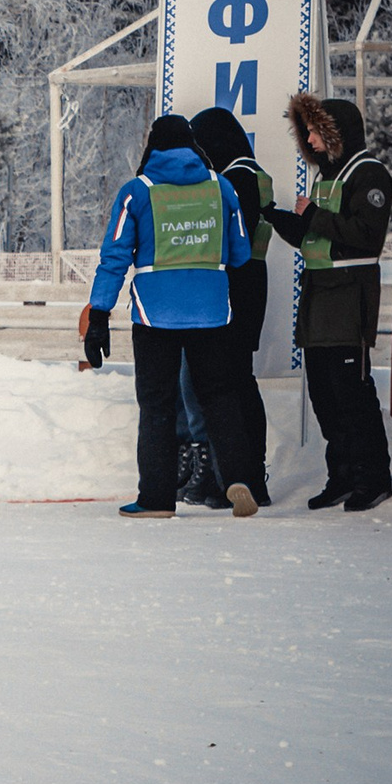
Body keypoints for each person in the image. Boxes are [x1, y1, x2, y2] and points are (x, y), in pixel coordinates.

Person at [84, 113, 262, 516]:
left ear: (154, 146)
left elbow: (114, 258)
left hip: (155, 316)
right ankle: (238, 477)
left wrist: (99, 315)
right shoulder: (222, 188)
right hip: (212, 312)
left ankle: (157, 499)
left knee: (158, 406)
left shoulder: (138, 191)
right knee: (220, 398)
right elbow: (240, 253)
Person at [259, 93, 392, 512]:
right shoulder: (325, 178)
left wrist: (311, 216)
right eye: (307, 133)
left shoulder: (369, 174)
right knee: (324, 392)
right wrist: (276, 216)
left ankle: (372, 479)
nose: (311, 140)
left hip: (350, 293)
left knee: (352, 393)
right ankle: (342, 475)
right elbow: (311, 236)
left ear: (337, 134)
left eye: (316, 132)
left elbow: (365, 234)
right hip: (319, 294)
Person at [181, 105, 275, 507]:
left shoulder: (236, 177)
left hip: (236, 290)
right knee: (239, 383)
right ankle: (246, 475)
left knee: (228, 386)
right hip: (250, 286)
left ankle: (236, 477)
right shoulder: (252, 172)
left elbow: (227, 237)